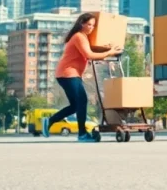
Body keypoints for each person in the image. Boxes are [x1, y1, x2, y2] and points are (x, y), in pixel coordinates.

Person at [43, 12, 122, 142]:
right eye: (89, 25)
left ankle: (50, 121)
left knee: (75, 105)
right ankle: (82, 134)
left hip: (66, 74)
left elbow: (90, 54)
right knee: (82, 101)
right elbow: (89, 54)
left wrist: (107, 54)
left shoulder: (83, 37)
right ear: (82, 24)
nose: (91, 28)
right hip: (68, 73)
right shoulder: (79, 36)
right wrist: (109, 53)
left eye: (93, 25)